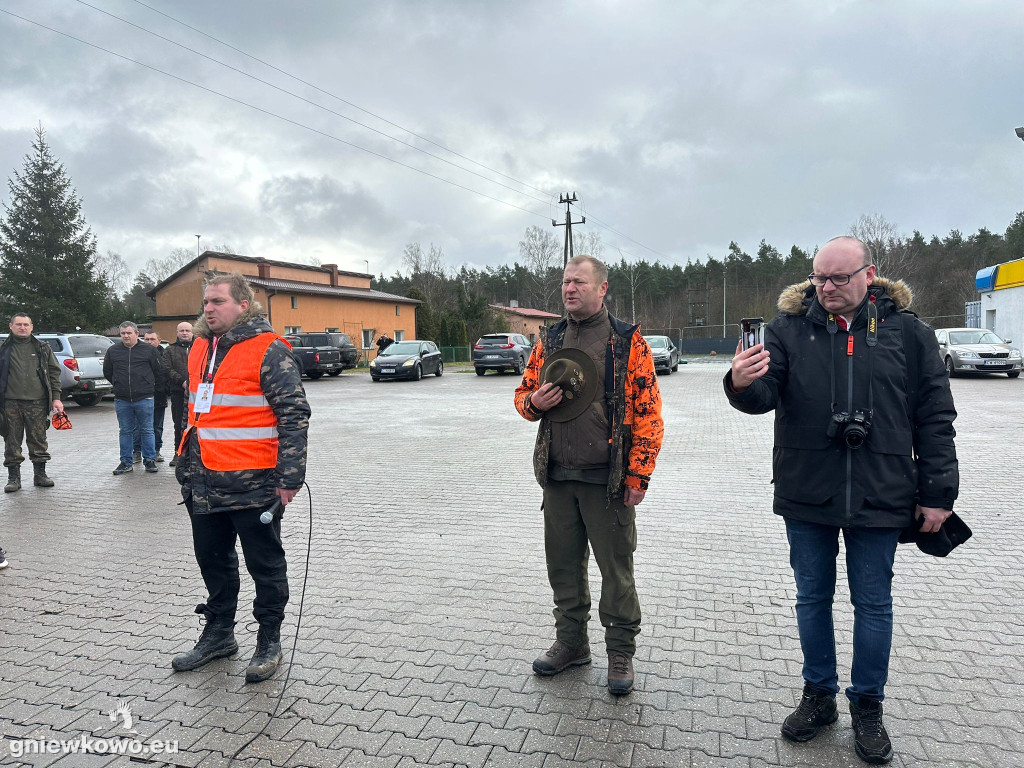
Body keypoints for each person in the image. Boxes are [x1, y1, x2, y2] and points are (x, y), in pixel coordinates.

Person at [724, 236, 958, 765]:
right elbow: (762, 400)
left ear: (868, 274)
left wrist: (938, 494)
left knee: (873, 603)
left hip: (884, 490)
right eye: (818, 279)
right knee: (812, 598)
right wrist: (739, 383)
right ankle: (819, 695)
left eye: (838, 278)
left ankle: (868, 707)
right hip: (808, 489)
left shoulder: (911, 334)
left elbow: (935, 419)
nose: (826, 288)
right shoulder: (787, 332)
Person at [514, 254, 664, 696]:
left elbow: (648, 413)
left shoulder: (626, 341)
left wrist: (639, 475)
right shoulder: (551, 338)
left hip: (607, 480)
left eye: (579, 282)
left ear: (602, 288)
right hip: (558, 477)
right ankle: (572, 643)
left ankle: (620, 652)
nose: (569, 289)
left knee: (616, 571)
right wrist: (534, 404)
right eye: (565, 282)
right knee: (562, 567)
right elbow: (523, 395)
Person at [171, 273, 310, 684]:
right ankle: (218, 635)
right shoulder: (198, 347)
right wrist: (183, 460)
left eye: (217, 301)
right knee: (212, 562)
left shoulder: (270, 350)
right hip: (203, 482)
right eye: (206, 303)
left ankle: (269, 639)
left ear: (242, 305)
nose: (208, 309)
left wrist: (289, 479)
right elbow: (191, 408)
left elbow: (293, 415)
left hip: (254, 483)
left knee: (264, 565)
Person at [0, 312, 63, 492]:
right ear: (11, 326)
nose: (22, 327)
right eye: (19, 324)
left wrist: (56, 398)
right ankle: (13, 478)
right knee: (11, 441)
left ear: (32, 327)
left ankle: (40, 475)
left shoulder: (42, 347)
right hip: (10, 404)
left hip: (37, 402)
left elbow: (53, 373)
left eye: (26, 324)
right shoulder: (3, 348)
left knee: (38, 440)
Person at [103, 321, 162, 475]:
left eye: (129, 333)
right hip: (122, 399)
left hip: (145, 398)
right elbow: (108, 372)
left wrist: (147, 385)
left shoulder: (149, 350)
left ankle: (149, 460)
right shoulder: (113, 351)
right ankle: (126, 462)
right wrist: (118, 384)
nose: (126, 336)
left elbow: (158, 371)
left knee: (147, 430)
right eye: (123, 333)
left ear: (137, 333)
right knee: (125, 431)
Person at [133, 331, 168, 462]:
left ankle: (156, 450)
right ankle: (136, 451)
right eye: (146, 339)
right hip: (140, 395)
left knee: (157, 426)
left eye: (152, 339)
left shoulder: (164, 354)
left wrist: (163, 389)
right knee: (137, 426)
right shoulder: (138, 353)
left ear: (159, 340)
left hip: (159, 396)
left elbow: (165, 374)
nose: (149, 342)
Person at [163, 322, 193, 467]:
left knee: (196, 424)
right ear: (177, 332)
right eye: (182, 330)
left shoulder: (200, 348)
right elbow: (167, 368)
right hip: (178, 393)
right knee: (179, 424)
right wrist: (182, 381)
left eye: (187, 330)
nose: (184, 333)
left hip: (199, 394)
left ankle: (195, 454)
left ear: (192, 332)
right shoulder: (170, 350)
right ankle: (178, 452)